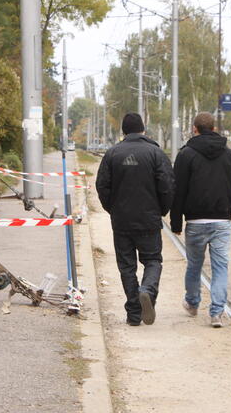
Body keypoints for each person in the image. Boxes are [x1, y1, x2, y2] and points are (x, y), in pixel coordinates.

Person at [96, 113, 174, 326]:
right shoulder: (156, 153)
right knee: (152, 260)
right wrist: (161, 210)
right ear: (143, 129)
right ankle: (147, 289)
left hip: (121, 221)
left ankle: (133, 313)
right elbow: (167, 186)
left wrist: (113, 209)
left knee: (126, 267)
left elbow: (102, 186)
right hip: (148, 220)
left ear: (123, 131)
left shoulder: (112, 154)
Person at [170, 112, 231, 328]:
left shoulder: (186, 155)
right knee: (220, 267)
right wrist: (229, 213)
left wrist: (176, 222)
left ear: (195, 128)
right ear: (214, 127)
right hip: (221, 220)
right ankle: (217, 313)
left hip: (195, 220)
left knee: (194, 265)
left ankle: (192, 303)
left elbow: (177, 190)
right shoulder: (230, 155)